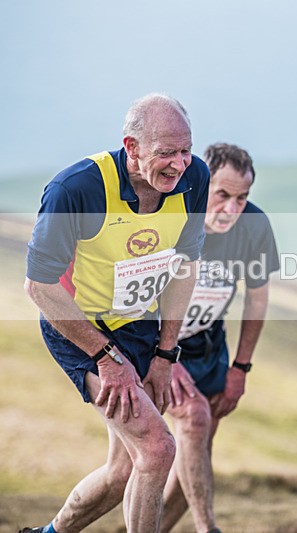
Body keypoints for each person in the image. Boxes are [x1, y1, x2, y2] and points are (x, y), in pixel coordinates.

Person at [22, 93, 208, 533]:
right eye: (166, 153)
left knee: (121, 473)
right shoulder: (76, 189)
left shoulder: (194, 177)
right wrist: (107, 358)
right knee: (158, 449)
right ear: (132, 147)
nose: (179, 165)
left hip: (138, 324)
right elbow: (39, 287)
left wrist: (166, 355)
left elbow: (184, 268)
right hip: (78, 326)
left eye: (186, 150)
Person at [159, 143, 279, 533]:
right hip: (156, 346)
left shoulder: (255, 225)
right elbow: (138, 298)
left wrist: (240, 368)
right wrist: (164, 356)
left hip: (209, 348)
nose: (232, 208)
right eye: (222, 195)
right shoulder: (171, 217)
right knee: (192, 423)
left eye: (242, 198)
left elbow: (257, 300)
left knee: (195, 454)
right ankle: (208, 528)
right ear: (201, 185)